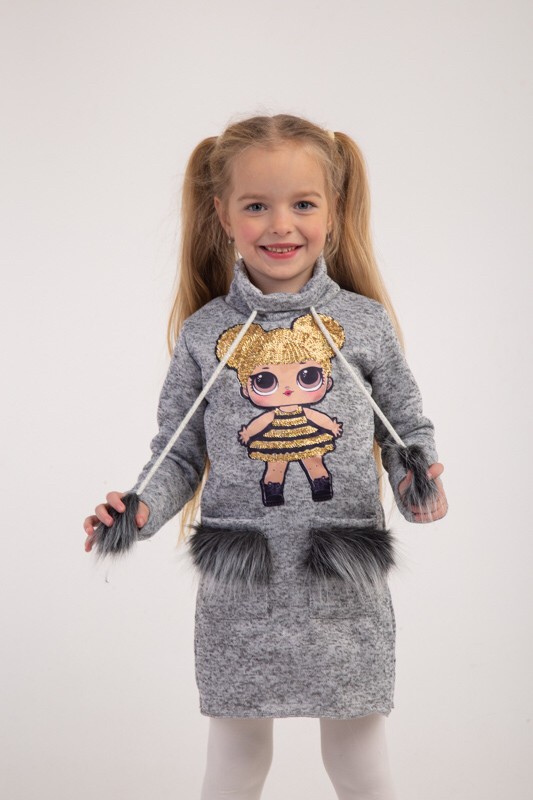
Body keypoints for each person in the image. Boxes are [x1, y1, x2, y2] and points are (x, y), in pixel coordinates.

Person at [84, 113, 448, 800]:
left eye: (302, 204)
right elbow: (177, 453)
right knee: (235, 760)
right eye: (256, 206)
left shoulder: (363, 324)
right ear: (222, 215)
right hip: (241, 586)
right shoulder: (205, 335)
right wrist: (137, 510)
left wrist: (416, 482)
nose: (281, 225)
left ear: (333, 211)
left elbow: (404, 428)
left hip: (340, 581)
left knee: (359, 761)